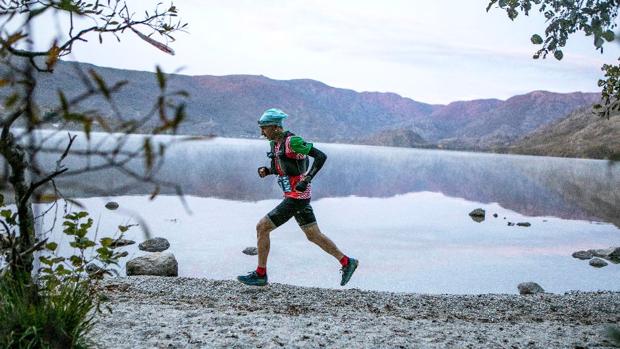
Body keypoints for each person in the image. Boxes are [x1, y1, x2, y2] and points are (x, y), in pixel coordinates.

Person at [237, 108, 358, 287]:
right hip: (295, 196)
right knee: (314, 235)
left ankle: (261, 274)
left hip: (297, 197)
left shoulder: (293, 141)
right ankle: (347, 262)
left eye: (264, 128)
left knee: (262, 227)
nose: (262, 132)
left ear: (276, 127)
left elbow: (321, 156)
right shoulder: (275, 145)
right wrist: (268, 171)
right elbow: (283, 167)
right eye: (261, 128)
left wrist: (307, 178)